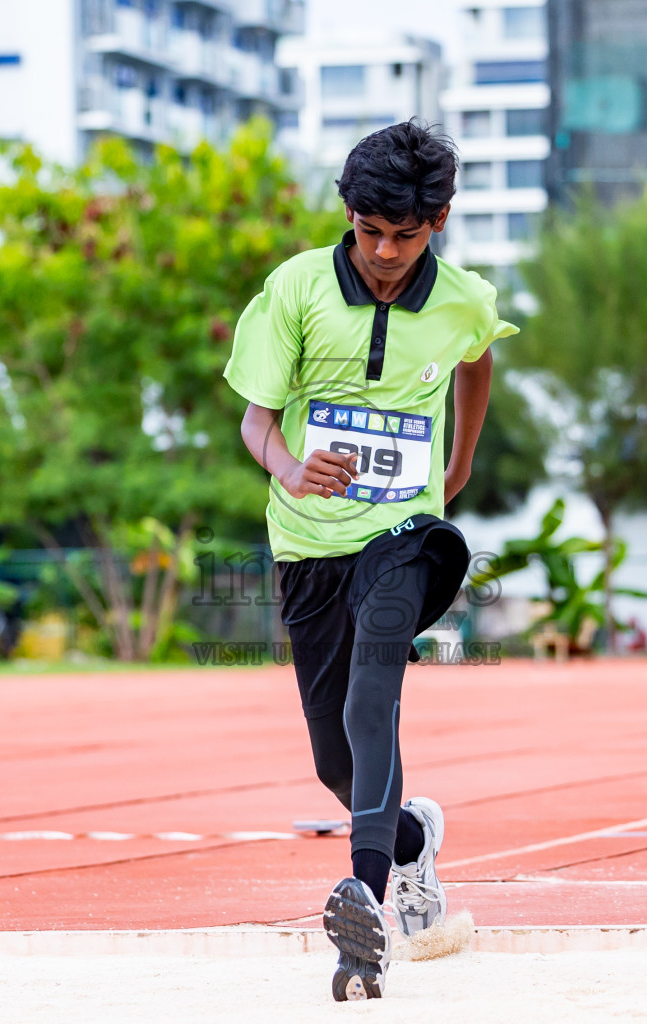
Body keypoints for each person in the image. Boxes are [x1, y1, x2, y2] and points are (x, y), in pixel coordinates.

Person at [224, 121, 515, 1001]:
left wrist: (459, 465)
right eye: (369, 231)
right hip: (310, 542)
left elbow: (478, 358)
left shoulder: (463, 297)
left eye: (407, 234)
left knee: (374, 682)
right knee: (336, 759)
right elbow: (255, 423)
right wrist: (290, 466)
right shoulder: (298, 289)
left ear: (441, 221)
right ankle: (413, 838)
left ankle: (365, 892)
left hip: (409, 535)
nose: (386, 253)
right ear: (349, 216)